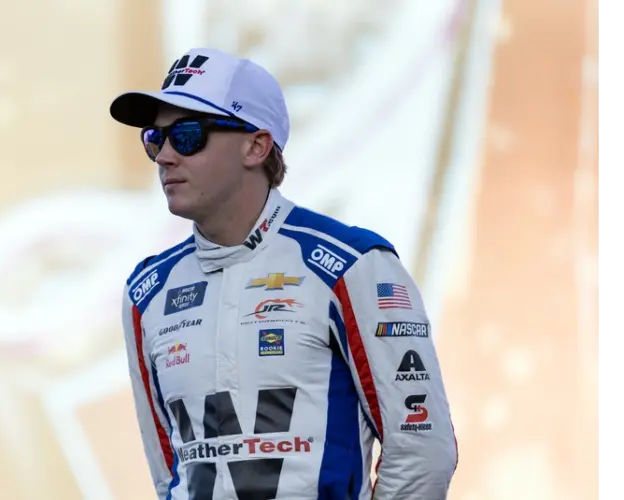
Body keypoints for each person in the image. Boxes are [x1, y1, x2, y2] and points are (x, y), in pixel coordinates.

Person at [110, 47, 458, 500]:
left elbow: (422, 453)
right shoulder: (147, 291)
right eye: (155, 139)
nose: (165, 156)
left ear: (256, 146)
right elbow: (168, 472)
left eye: (188, 136)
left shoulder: (352, 263)